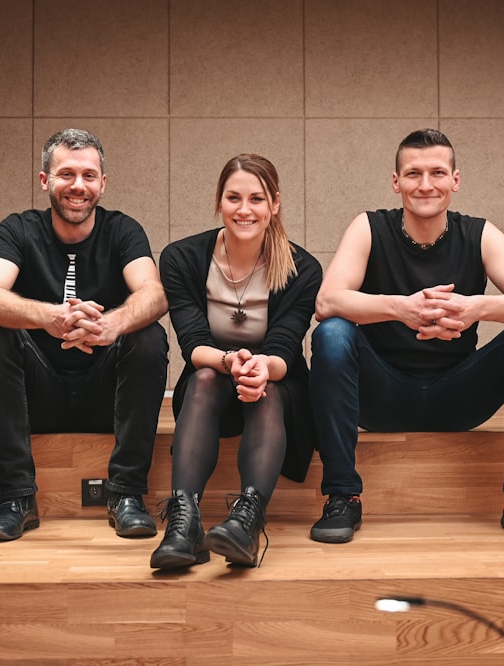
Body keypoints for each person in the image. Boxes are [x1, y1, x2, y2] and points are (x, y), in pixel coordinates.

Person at [308, 128, 504, 545]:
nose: (425, 184)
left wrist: (475, 309)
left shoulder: (479, 233)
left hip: (459, 396)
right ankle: (343, 496)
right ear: (396, 182)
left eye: (437, 172)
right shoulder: (368, 227)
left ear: (455, 180)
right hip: (382, 396)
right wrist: (403, 307)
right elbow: (327, 302)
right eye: (413, 173)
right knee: (333, 333)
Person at [0, 128, 168, 542]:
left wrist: (110, 325)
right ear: (45, 181)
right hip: (36, 395)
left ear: (103, 183)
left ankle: (127, 494)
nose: (78, 186)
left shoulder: (122, 230)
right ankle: (14, 499)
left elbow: (154, 294)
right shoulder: (19, 229)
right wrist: (48, 317)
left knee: (147, 335)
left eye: (89, 176)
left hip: (104, 394)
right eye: (66, 174)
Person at [151, 154, 321, 569]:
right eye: (234, 198)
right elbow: (192, 343)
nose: (244, 210)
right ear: (219, 202)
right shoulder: (182, 258)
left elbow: (285, 347)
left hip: (278, 386)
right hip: (210, 380)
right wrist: (232, 362)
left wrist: (261, 369)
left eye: (256, 199)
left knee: (267, 391)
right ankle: (184, 521)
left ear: (274, 204)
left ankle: (246, 522)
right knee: (206, 377)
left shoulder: (303, 268)